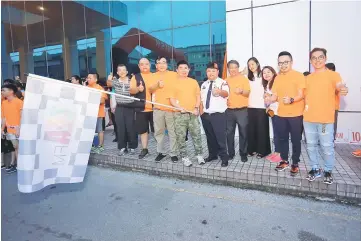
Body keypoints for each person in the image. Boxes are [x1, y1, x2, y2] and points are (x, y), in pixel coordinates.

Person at [304, 48, 348, 184]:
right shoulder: (308, 78)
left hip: (324, 121)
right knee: (310, 145)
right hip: (308, 119)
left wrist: (343, 88)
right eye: (314, 58)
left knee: (326, 146)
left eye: (320, 57)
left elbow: (340, 86)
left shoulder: (334, 75)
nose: (317, 60)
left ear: (325, 58)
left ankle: (328, 170)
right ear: (311, 61)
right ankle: (315, 169)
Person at [271, 51, 305, 176]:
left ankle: (295, 163)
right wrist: (270, 98)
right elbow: (275, 94)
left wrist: (291, 100)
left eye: (285, 62)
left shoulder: (299, 75)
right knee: (282, 139)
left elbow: (301, 95)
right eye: (280, 63)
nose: (283, 65)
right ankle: (284, 161)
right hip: (281, 114)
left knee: (296, 140)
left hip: (296, 115)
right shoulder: (278, 77)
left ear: (291, 62)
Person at [170, 60, 204, 166]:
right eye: (181, 68)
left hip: (193, 114)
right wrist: (179, 107)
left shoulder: (193, 82)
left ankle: (199, 155)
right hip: (179, 115)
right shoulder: (173, 83)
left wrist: (196, 107)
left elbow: (198, 97)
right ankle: (185, 157)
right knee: (181, 137)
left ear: (189, 70)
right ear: (177, 70)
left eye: (186, 68)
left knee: (197, 135)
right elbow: (172, 100)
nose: (184, 70)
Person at [149, 57, 179, 163]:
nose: (161, 65)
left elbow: (179, 88)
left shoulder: (174, 74)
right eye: (159, 63)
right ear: (156, 65)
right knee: (159, 132)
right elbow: (150, 89)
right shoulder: (153, 76)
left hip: (171, 108)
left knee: (172, 132)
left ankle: (174, 153)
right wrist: (157, 85)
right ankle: (161, 152)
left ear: (167, 64)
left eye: (164, 62)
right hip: (158, 108)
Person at [200, 62, 229, 167]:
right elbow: (202, 100)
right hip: (206, 115)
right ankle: (212, 155)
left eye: (213, 71)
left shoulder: (223, 83)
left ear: (217, 72)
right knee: (210, 137)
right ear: (206, 72)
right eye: (208, 71)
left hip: (218, 115)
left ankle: (224, 158)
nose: (211, 73)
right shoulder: (204, 84)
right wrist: (201, 112)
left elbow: (226, 94)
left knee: (220, 138)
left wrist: (219, 92)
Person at [129, 58, 155, 159]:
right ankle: (145, 149)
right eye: (142, 64)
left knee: (157, 131)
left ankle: (160, 151)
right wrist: (138, 89)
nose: (144, 66)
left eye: (146, 64)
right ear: (139, 66)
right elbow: (131, 90)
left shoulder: (154, 76)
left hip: (155, 108)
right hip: (141, 108)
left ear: (150, 65)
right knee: (143, 130)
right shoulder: (135, 77)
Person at [225, 60, 250, 162]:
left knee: (243, 133)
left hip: (242, 111)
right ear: (228, 69)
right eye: (231, 67)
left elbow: (247, 93)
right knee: (229, 133)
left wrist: (241, 91)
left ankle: (243, 153)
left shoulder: (243, 79)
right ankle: (230, 153)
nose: (233, 69)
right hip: (229, 111)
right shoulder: (225, 80)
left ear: (238, 68)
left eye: (235, 67)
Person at [110, 64, 138, 155]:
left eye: (123, 70)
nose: (122, 72)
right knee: (120, 128)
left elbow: (137, 90)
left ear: (126, 72)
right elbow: (108, 83)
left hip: (130, 106)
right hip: (119, 107)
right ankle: (122, 147)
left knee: (131, 127)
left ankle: (132, 147)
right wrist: (109, 78)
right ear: (117, 72)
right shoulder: (115, 82)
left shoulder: (132, 81)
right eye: (119, 70)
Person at [246, 57, 271, 158]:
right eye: (249, 65)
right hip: (250, 106)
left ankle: (263, 151)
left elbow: (269, 88)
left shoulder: (263, 76)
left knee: (262, 130)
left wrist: (268, 103)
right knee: (251, 130)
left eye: (252, 64)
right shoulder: (248, 77)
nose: (251, 66)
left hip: (261, 107)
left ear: (257, 63)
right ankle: (252, 149)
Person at [1, 84, 23, 173]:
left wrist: (19, 128)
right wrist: (2, 129)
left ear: (11, 91)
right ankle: (19, 165)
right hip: (10, 130)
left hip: (19, 129)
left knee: (20, 147)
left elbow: (22, 116)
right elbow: (4, 118)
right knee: (15, 147)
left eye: (3, 90)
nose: (2, 92)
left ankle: (21, 165)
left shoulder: (19, 102)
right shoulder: (4, 103)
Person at [262, 66, 281, 163]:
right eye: (264, 73)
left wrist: (268, 96)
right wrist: (267, 106)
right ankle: (276, 152)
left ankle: (280, 154)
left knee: (279, 133)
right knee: (276, 133)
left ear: (273, 72)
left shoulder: (276, 82)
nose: (266, 74)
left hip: (279, 112)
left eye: (268, 72)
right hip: (273, 112)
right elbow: (268, 99)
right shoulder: (268, 84)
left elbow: (278, 97)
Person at [87, 72, 108, 154]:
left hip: (99, 113)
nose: (88, 79)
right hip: (89, 113)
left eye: (90, 78)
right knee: (89, 130)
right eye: (87, 78)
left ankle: (100, 146)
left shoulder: (100, 88)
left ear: (95, 79)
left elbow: (102, 100)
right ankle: (91, 145)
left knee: (100, 130)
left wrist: (90, 100)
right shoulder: (86, 88)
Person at [325, 62, 339, 141]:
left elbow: (338, 91)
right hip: (324, 107)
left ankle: (332, 141)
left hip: (333, 107)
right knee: (323, 125)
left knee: (332, 125)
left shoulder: (337, 79)